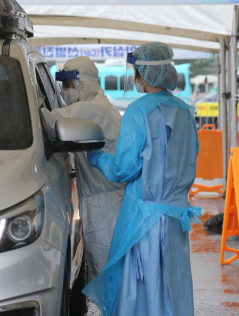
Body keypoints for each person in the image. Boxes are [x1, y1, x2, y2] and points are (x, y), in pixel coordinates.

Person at [83, 42, 201, 316]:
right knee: (173, 283)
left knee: (142, 290)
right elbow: (189, 157)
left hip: (143, 218)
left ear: (145, 74)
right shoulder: (185, 111)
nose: (135, 78)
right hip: (175, 215)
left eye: (136, 72)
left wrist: (97, 157)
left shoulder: (138, 111)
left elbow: (123, 168)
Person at [41, 56, 125, 281]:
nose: (65, 90)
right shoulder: (103, 106)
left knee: (109, 274)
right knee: (108, 272)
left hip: (105, 208)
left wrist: (34, 107)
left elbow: (51, 122)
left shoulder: (92, 110)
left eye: (68, 85)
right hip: (106, 201)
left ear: (82, 84)